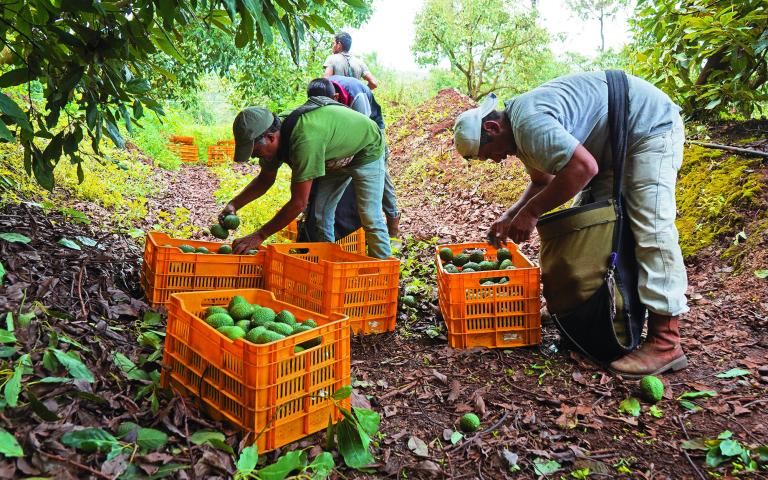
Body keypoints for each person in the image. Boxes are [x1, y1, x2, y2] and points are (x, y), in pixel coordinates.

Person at [452, 72, 689, 377]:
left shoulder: (528, 123)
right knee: (594, 229)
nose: (496, 161)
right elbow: (544, 180)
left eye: (489, 154)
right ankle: (597, 310)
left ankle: (666, 340)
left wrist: (532, 213)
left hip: (647, 128)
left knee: (650, 227)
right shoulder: (520, 133)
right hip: (610, 148)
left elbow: (583, 168)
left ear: (492, 127)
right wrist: (512, 215)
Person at [222, 101, 391, 259]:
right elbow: (265, 180)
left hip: (367, 147)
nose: (255, 157)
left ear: (271, 138)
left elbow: (298, 203)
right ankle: (328, 264)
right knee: (321, 214)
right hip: (333, 155)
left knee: (370, 215)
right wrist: (234, 204)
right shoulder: (273, 136)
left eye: (256, 152)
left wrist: (259, 235)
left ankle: (383, 273)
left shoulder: (304, 140)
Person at [306, 77, 400, 237]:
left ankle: (393, 226)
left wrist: (345, 158)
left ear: (335, 98)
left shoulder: (357, 97)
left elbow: (363, 136)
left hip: (371, 130)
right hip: (343, 128)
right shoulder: (318, 95)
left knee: (380, 173)